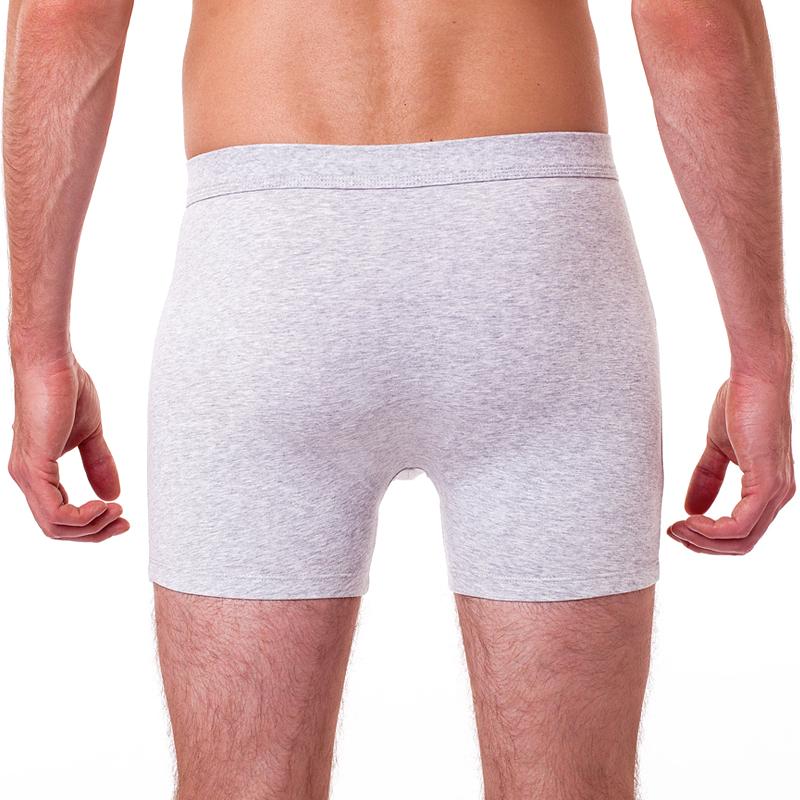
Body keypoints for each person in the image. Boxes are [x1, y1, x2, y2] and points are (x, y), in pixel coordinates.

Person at [4, 1, 795, 798]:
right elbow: (693, 18)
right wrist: (760, 359)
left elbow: (67, 15)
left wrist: (38, 352)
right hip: (534, 257)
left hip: (267, 258)